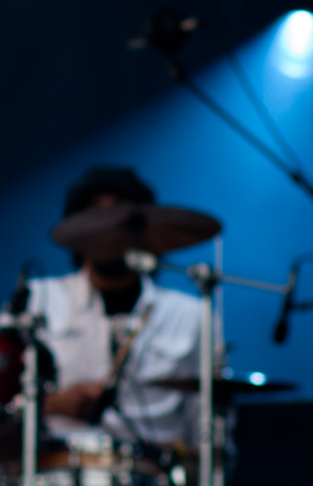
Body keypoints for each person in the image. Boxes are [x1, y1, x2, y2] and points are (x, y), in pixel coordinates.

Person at [22, 166, 200, 448]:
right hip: (53, 468)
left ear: (144, 229)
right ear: (75, 228)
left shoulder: (191, 315)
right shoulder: (36, 299)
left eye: (119, 214)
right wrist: (51, 404)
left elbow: (205, 428)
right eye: (96, 213)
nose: (107, 227)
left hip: (151, 472)